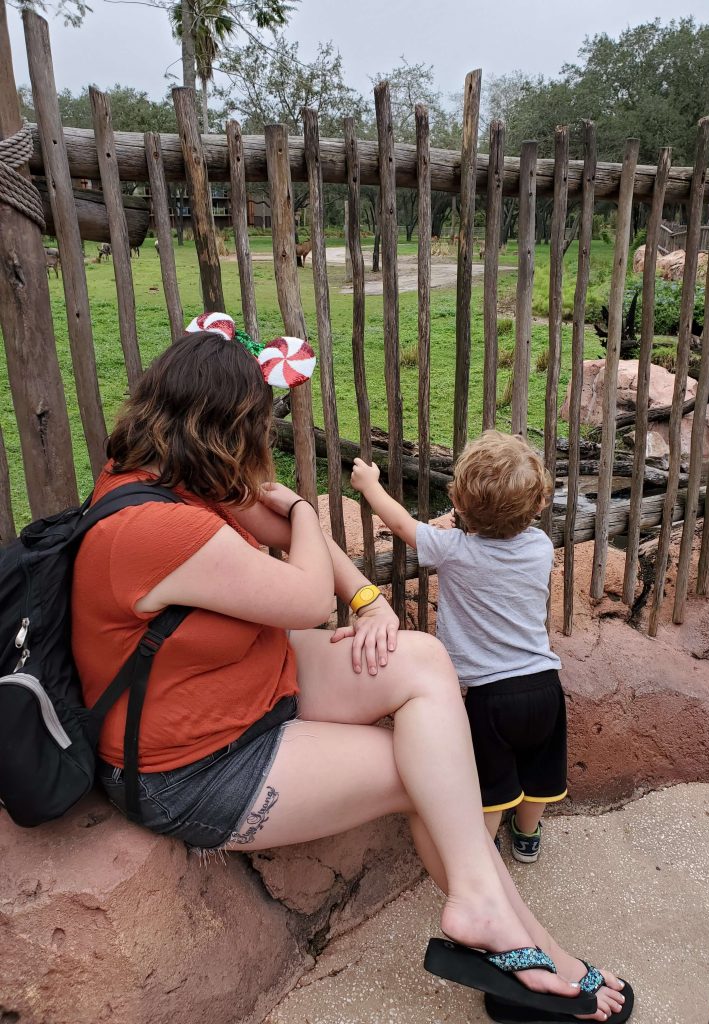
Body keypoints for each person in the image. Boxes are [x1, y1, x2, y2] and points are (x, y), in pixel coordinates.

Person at [71, 324, 630, 1023]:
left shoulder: (172, 478)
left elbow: (299, 548)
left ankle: (493, 920)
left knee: (422, 658)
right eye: (257, 425)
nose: (262, 442)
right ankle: (529, 949)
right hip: (194, 767)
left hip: (245, 688)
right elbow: (307, 591)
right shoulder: (156, 527)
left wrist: (369, 601)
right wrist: (303, 505)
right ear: (225, 426)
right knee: (428, 776)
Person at [351, 430, 566, 865]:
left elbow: (400, 524)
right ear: (540, 504)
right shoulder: (542, 548)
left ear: (462, 505)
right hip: (546, 687)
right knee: (538, 771)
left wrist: (370, 484)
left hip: (490, 698)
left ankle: (481, 858)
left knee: (490, 785)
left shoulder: (452, 551)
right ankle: (527, 839)